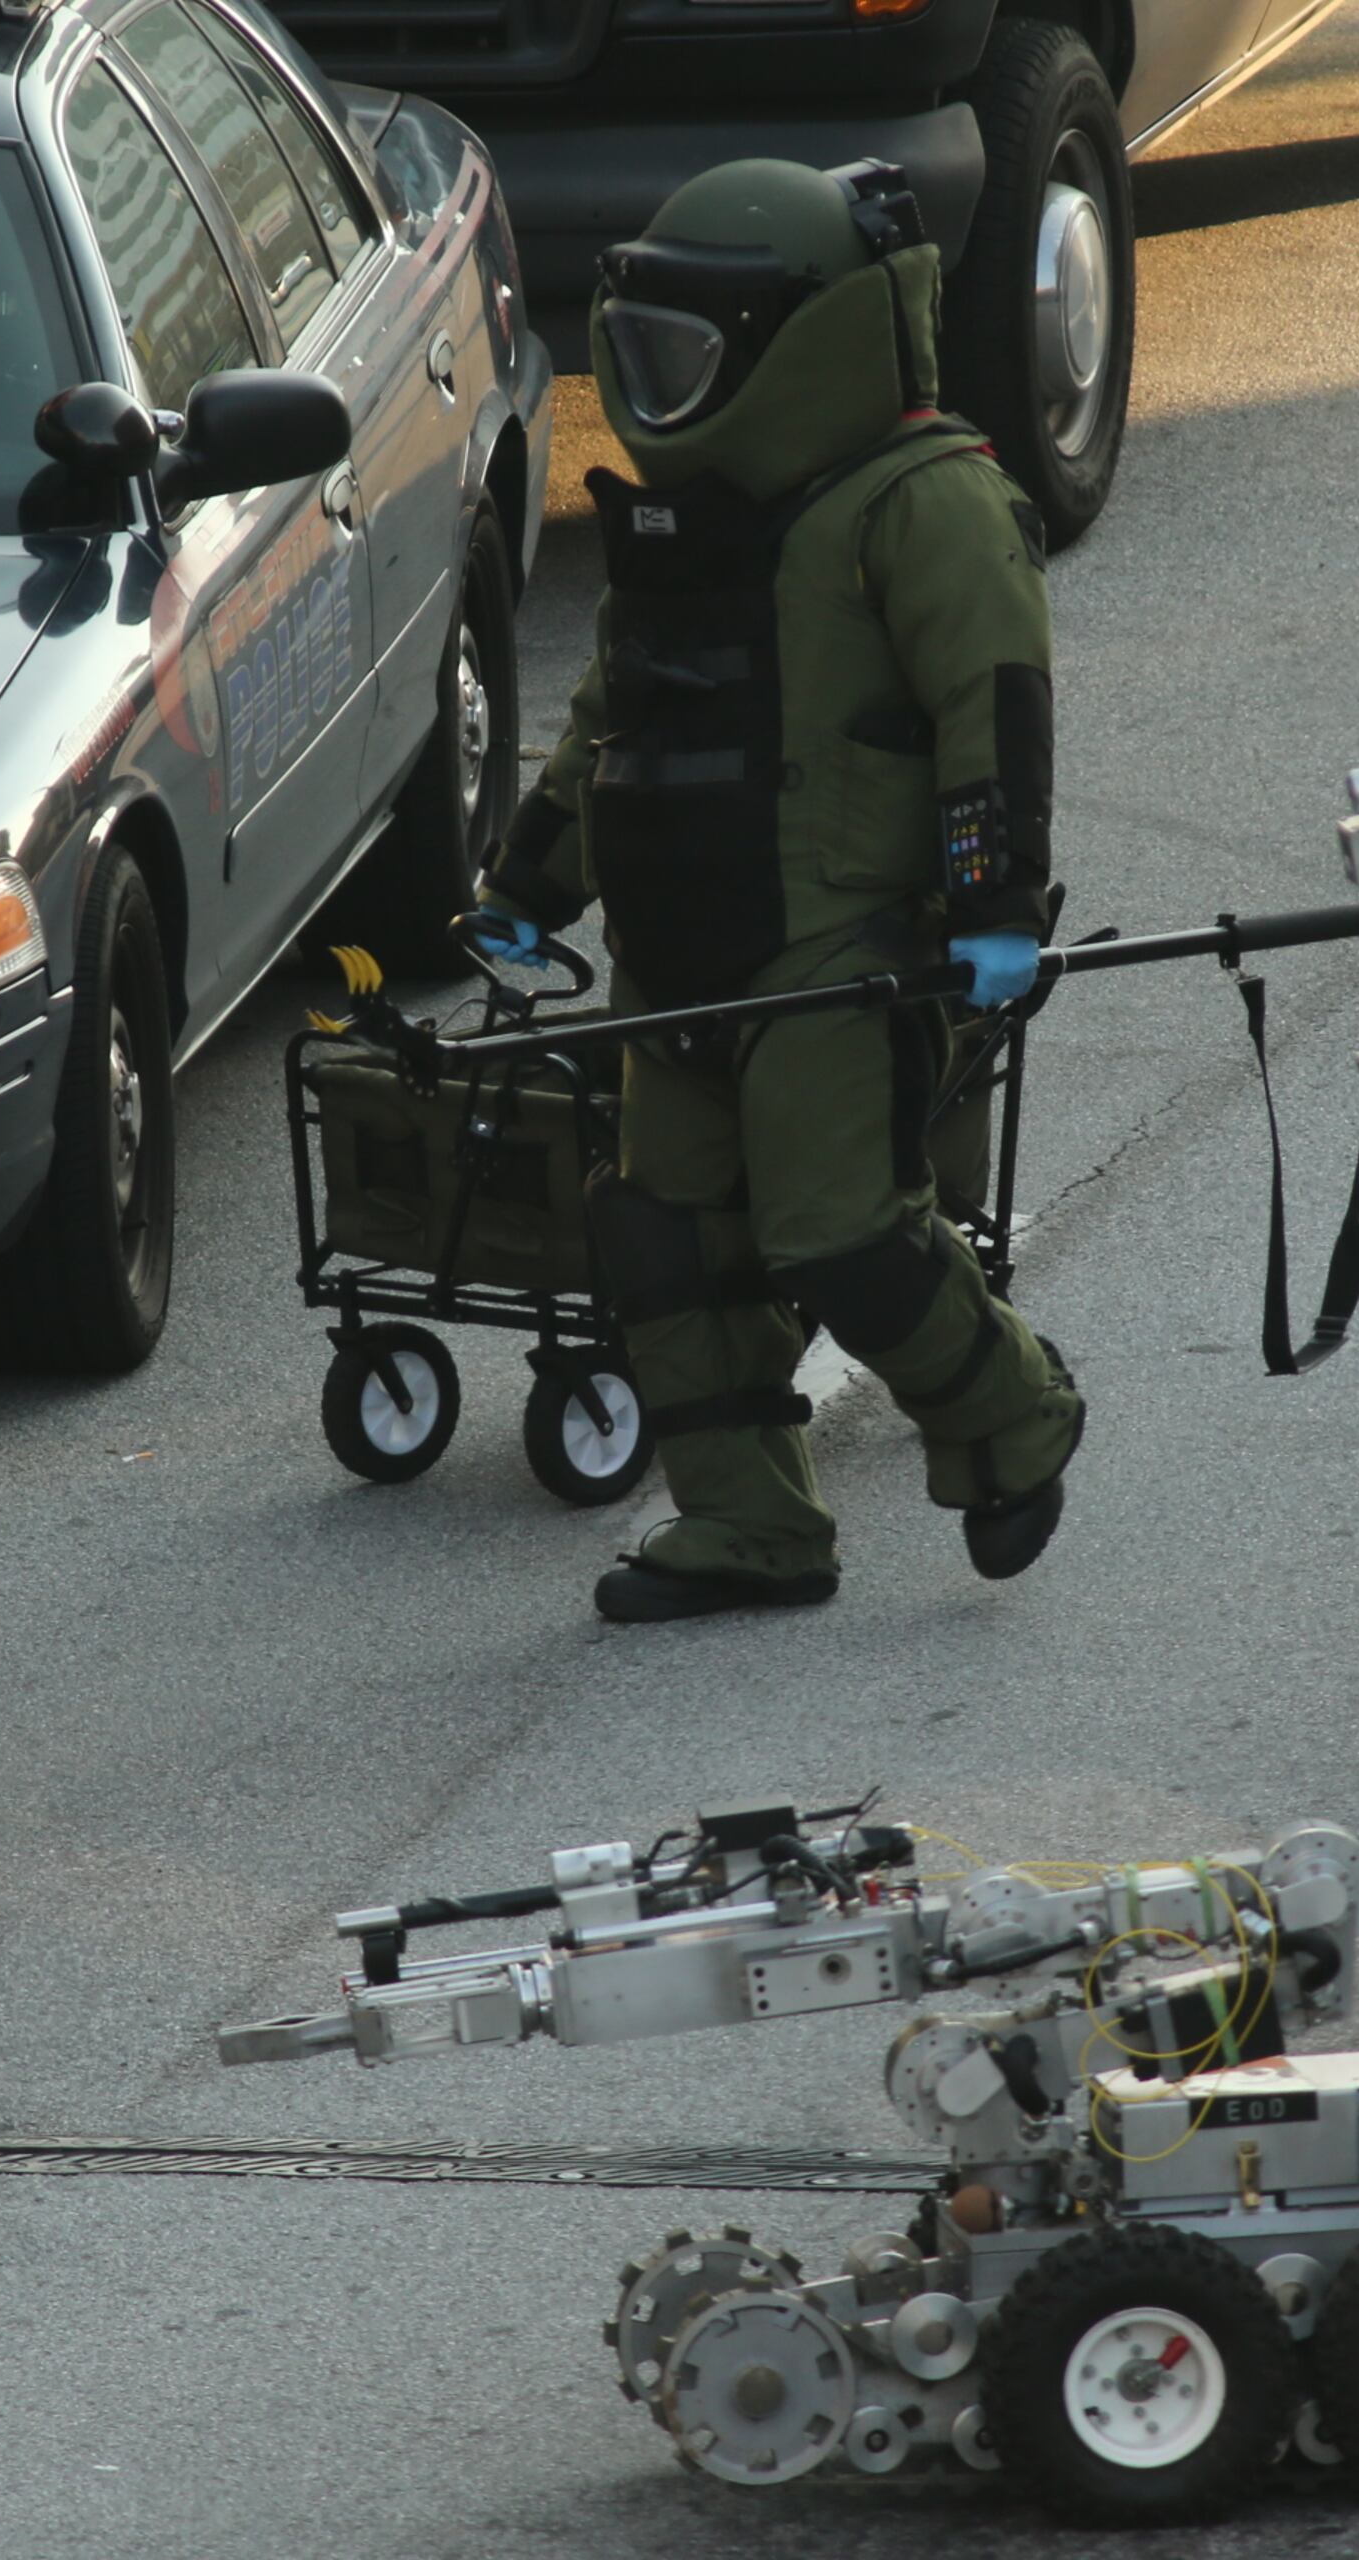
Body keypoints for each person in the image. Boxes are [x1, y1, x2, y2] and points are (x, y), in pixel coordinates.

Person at [465, 156, 1084, 1625]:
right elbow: (609, 720)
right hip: (673, 955)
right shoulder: (689, 527)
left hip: (833, 952)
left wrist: (993, 913)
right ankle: (749, 1525)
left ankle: (1012, 1416)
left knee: (841, 1233)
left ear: (804, 343)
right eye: (643, 358)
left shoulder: (925, 504)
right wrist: (529, 883)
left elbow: (992, 713)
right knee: (662, 1242)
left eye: (692, 360)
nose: (659, 395)